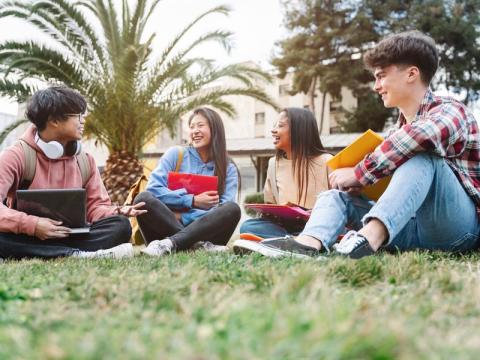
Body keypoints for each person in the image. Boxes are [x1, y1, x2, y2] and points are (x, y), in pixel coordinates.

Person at [234, 30, 480, 259]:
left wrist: (359, 173)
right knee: (336, 195)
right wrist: (359, 188)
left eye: (381, 76)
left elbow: (420, 137)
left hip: (456, 229)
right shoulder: (396, 131)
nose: (376, 86)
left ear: (411, 74)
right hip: (408, 227)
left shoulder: (452, 111)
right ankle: (307, 243)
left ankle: (365, 241)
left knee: (422, 155)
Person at [0, 86, 146, 260]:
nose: (83, 121)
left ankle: (58, 252)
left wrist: (117, 211)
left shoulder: (85, 160)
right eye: (77, 115)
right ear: (54, 120)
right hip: (28, 234)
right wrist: (33, 225)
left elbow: (95, 208)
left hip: (73, 234)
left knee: (121, 226)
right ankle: (78, 254)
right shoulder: (16, 155)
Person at [134, 107, 241, 256]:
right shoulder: (175, 154)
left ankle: (172, 243)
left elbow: (223, 211)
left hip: (205, 235)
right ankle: (195, 246)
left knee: (232, 209)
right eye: (192, 127)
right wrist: (192, 201)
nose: (195, 131)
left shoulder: (228, 168)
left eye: (200, 125)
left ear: (215, 129)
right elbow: (153, 189)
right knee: (143, 199)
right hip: (166, 230)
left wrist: (182, 216)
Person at [239, 107, 332, 239]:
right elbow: (270, 204)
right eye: (274, 126)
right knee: (247, 226)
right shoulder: (273, 164)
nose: (273, 130)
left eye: (281, 125)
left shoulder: (326, 161)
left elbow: (339, 205)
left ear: (299, 130)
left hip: (318, 224)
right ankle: (297, 240)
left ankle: (298, 239)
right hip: (285, 226)